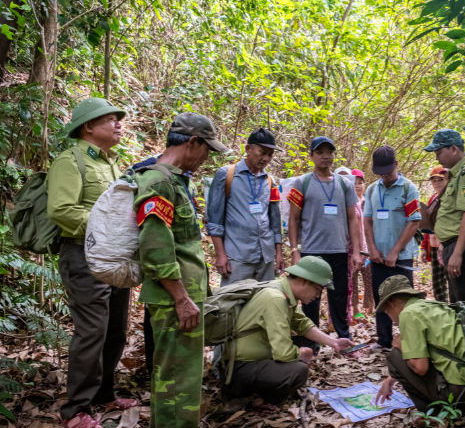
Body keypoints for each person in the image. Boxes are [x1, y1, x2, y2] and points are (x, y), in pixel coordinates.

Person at [47, 97, 138, 427]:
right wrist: (109, 226)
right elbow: (61, 210)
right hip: (82, 256)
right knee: (92, 330)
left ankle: (104, 394)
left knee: (115, 329)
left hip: (114, 259)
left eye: (118, 119)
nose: (118, 124)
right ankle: (77, 410)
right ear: (88, 126)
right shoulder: (69, 162)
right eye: (111, 119)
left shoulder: (112, 164)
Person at [134, 112, 230, 427]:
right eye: (207, 150)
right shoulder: (158, 180)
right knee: (176, 380)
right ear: (192, 142)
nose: (206, 158)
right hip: (174, 301)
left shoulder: (174, 179)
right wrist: (180, 297)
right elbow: (155, 245)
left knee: (182, 380)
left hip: (183, 297)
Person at [223, 256, 353, 403]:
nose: (317, 296)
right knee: (298, 371)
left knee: (308, 340)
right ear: (304, 281)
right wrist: (301, 354)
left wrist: (333, 342)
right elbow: (283, 353)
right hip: (240, 370)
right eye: (318, 289)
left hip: (253, 362)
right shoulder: (276, 298)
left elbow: (302, 324)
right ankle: (258, 398)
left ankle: (263, 389)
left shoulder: (281, 290)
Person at [373, 275, 465, 412]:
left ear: (391, 303)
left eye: (386, 311)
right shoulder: (431, 306)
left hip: (462, 395)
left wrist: (401, 347)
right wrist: (390, 380)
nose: (391, 319)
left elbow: (420, 368)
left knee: (395, 357)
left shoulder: (408, 314)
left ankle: (434, 411)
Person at [286, 137, 362, 348]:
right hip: (312, 251)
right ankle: (311, 344)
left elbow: (352, 219)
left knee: (338, 298)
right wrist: (294, 250)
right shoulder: (302, 183)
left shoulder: (344, 184)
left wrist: (356, 251)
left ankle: (344, 340)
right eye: (320, 152)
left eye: (329, 151)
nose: (326, 155)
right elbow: (293, 218)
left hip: (338, 250)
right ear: (311, 156)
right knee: (310, 299)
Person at [206, 127, 284, 285]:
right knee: (232, 304)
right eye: (262, 152)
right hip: (237, 256)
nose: (266, 158)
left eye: (270, 154)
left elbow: (275, 220)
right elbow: (214, 219)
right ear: (248, 148)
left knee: (263, 303)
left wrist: (278, 252)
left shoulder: (270, 181)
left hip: (265, 257)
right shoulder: (226, 175)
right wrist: (220, 254)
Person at [363, 145, 422, 351]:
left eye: (388, 171)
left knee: (405, 299)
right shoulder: (372, 189)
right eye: (380, 172)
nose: (385, 176)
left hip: (402, 256)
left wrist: (396, 251)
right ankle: (383, 340)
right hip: (378, 256)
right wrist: (372, 248)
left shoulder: (408, 188)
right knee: (381, 298)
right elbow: (368, 220)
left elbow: (413, 222)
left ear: (396, 165)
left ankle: (409, 341)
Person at [423, 129, 465, 303]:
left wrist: (458, 253)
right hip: (453, 246)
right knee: (458, 304)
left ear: (453, 149)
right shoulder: (455, 175)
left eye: (439, 152)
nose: (437, 157)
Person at [420, 165, 449, 302]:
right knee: (438, 283)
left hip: (449, 245)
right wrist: (424, 248)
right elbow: (428, 226)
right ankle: (442, 310)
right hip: (434, 245)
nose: (437, 183)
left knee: (452, 280)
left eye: (440, 180)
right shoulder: (432, 199)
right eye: (434, 180)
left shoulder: (451, 198)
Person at [348, 168, 372, 317]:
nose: (357, 185)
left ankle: (370, 306)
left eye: (360, 183)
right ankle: (355, 308)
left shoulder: (368, 202)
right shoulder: (349, 203)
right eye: (354, 183)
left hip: (368, 247)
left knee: (369, 278)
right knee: (353, 279)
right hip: (353, 247)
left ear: (364, 184)